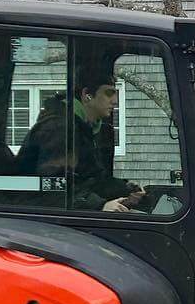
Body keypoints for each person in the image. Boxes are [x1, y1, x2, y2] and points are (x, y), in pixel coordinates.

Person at [17, 66, 145, 213]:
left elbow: (90, 178)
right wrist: (99, 206)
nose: (115, 101)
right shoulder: (59, 129)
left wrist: (125, 190)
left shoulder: (84, 128)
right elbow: (53, 186)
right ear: (86, 95)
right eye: (109, 93)